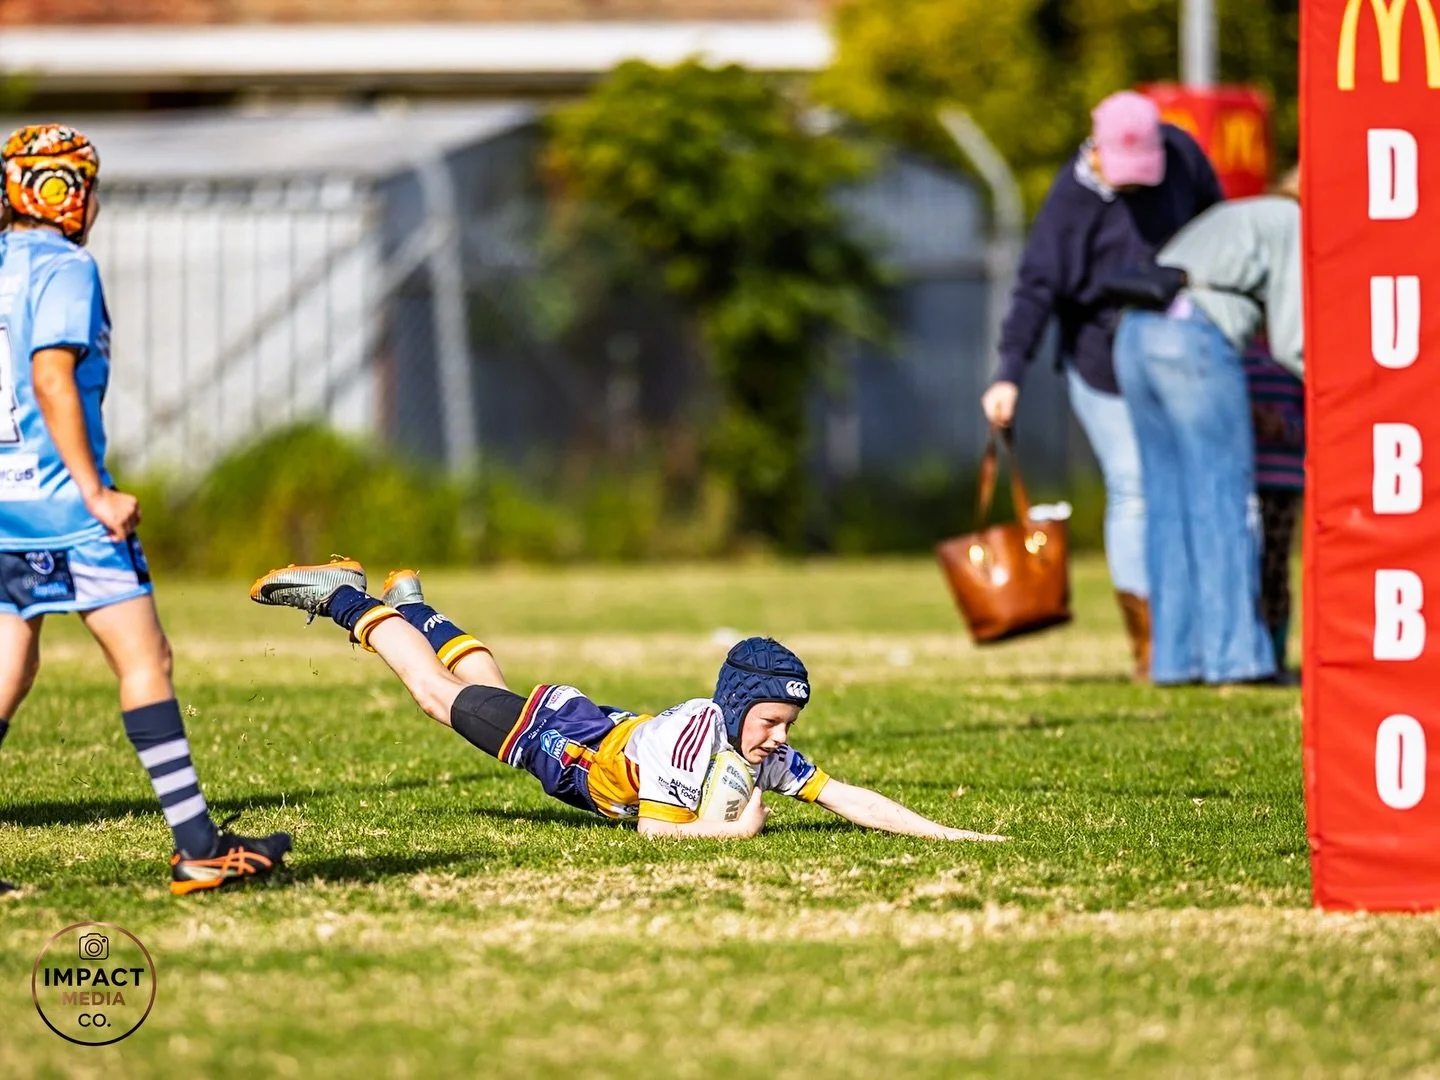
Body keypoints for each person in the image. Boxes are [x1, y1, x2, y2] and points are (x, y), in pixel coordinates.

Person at [0, 124, 291, 894]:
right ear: (69, 192)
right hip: (64, 508)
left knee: (8, 665)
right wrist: (94, 488)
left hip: (4, 507)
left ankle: (199, 842)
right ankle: (198, 847)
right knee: (145, 661)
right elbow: (51, 378)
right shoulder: (63, 265)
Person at [249, 559, 1007, 842]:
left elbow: (848, 797)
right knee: (438, 695)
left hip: (581, 722)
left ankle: (414, 609)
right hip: (569, 750)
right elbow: (659, 832)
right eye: (773, 721)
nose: (780, 739)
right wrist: (734, 834)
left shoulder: (752, 745)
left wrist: (950, 835)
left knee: (490, 691)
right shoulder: (695, 738)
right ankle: (351, 601)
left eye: (788, 726)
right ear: (740, 708)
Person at [981, 91, 1224, 679]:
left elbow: (1222, 232)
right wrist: (1009, 372)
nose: (1139, 187)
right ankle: (1150, 642)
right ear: (1097, 147)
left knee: (1197, 489)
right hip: (1102, 362)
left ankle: (1204, 634)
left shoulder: (1184, 156)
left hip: (1182, 351)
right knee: (1134, 485)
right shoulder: (1071, 199)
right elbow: (1037, 287)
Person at [1112, 178, 1302, 685]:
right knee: (1222, 498)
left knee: (1168, 503)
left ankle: (1176, 660)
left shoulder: (1239, 216)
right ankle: (1237, 660)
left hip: (1134, 336)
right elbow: (1292, 342)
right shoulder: (1293, 224)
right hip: (1192, 340)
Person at [1245, 337, 1305, 677]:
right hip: (1249, 480)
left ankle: (1276, 651)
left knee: (1275, 568)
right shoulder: (1241, 357)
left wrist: (1282, 427)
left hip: (1284, 483)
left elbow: (1315, 423)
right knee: (1249, 568)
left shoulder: (1292, 360)